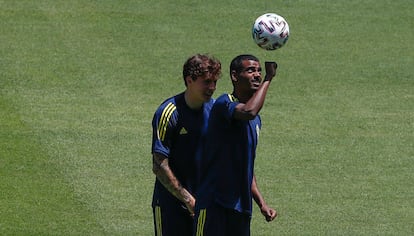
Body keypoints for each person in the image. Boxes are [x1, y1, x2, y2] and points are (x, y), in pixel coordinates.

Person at [194, 54, 278, 236]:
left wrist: (262, 204)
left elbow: (246, 166)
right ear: (234, 76)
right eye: (250, 70)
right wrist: (268, 78)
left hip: (241, 208)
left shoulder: (256, 122)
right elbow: (249, 111)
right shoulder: (224, 104)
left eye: (259, 71)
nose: (257, 74)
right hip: (214, 204)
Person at [151, 54, 222, 236]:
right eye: (206, 82)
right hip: (171, 205)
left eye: (214, 82)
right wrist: (188, 200)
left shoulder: (215, 111)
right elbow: (159, 165)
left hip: (205, 205)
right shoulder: (168, 113)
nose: (212, 88)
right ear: (189, 80)